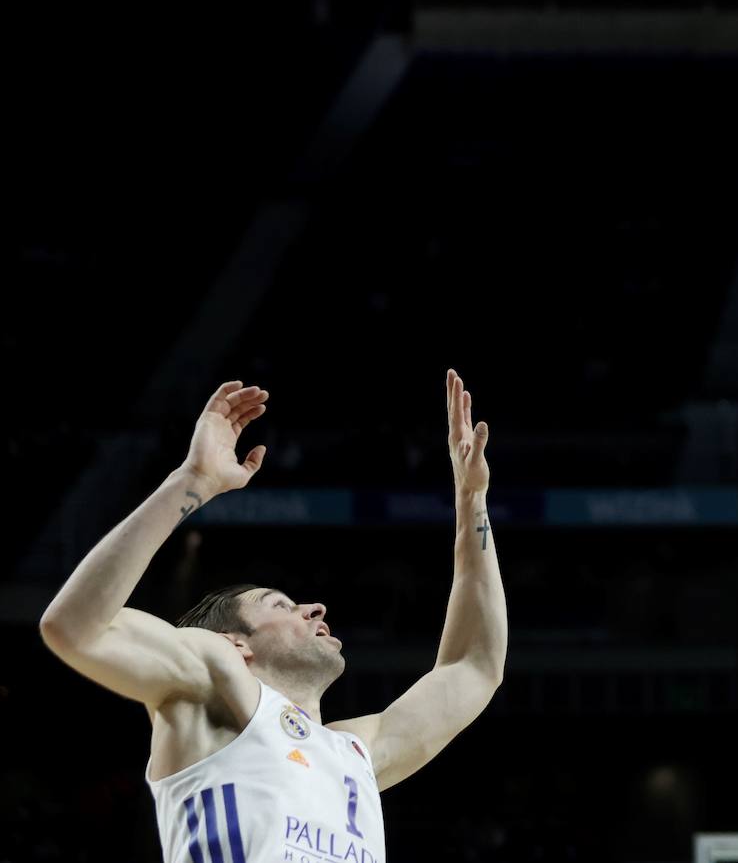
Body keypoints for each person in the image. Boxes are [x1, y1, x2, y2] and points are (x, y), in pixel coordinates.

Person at [39, 370, 506, 863]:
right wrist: (190, 483)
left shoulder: (358, 751)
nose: (316, 608)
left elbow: (474, 666)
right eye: (281, 604)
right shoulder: (216, 685)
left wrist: (471, 499)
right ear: (236, 643)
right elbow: (74, 627)